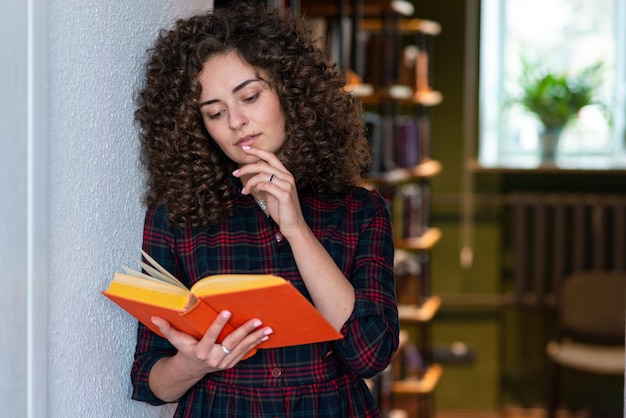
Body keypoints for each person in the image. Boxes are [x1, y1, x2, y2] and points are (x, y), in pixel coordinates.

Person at [130, 2, 399, 417]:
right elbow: (150, 381)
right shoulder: (176, 217)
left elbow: (370, 354)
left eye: (250, 97)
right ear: (198, 126)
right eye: (216, 112)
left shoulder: (359, 210)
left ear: (289, 90)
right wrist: (193, 363)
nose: (237, 121)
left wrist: (296, 229)